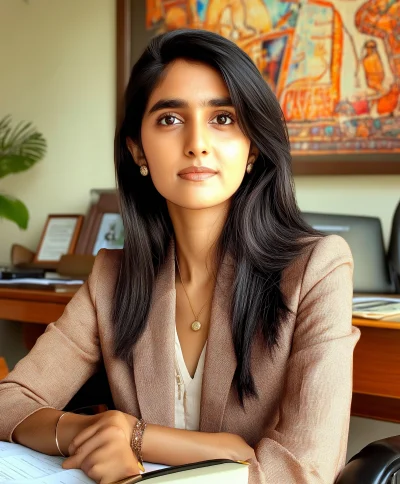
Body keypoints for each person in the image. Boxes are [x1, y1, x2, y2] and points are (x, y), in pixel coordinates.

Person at [0, 29, 360, 484]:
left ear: (252, 147)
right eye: (170, 119)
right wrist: (85, 431)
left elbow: (303, 470)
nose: (197, 143)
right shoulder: (113, 277)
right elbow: (10, 399)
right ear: (137, 150)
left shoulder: (317, 268)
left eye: (223, 118)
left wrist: (136, 436)